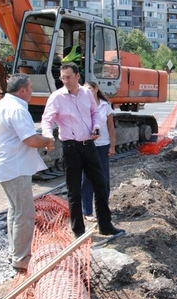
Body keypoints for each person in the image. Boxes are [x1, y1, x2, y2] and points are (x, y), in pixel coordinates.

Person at [41, 62, 124, 238]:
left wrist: (96, 127)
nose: (66, 81)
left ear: (78, 76)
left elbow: (95, 113)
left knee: (101, 185)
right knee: (74, 190)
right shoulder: (57, 97)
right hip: (71, 147)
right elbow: (47, 120)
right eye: (63, 78)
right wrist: (48, 136)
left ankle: (105, 225)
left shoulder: (87, 93)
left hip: (89, 146)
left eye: (69, 77)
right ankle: (78, 230)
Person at [0, 73, 55, 273]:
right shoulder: (17, 109)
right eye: (31, 88)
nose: (32, 92)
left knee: (15, 211)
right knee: (25, 213)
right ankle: (21, 259)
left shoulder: (4, 104)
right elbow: (30, 140)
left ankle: (15, 251)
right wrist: (48, 140)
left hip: (7, 165)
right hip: (14, 167)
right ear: (23, 90)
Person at [81, 81, 115, 222]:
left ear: (96, 89)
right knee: (87, 179)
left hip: (103, 145)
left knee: (104, 178)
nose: (87, 91)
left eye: (89, 88)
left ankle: (103, 208)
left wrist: (112, 146)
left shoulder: (105, 106)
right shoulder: (82, 105)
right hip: (88, 145)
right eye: (84, 89)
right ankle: (87, 211)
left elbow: (111, 128)